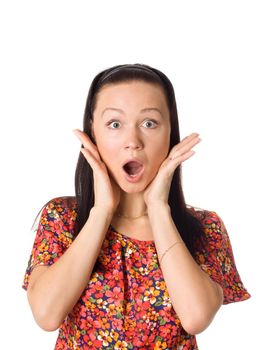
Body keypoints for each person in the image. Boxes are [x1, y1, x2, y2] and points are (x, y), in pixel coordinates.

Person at [22, 63, 251, 349]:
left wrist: (157, 208)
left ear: (171, 133)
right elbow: (46, 314)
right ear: (93, 132)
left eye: (149, 123)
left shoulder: (206, 227)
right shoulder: (62, 218)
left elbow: (196, 317)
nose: (133, 142)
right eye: (115, 124)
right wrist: (102, 211)